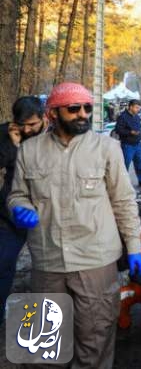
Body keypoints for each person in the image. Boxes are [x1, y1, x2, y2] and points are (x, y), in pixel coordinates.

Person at [7, 82, 141, 368]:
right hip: (47, 261)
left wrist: (134, 246)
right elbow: (18, 194)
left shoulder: (107, 148)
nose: (83, 114)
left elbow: (123, 201)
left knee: (94, 338)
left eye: (87, 108)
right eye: (74, 109)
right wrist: (19, 208)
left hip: (95, 260)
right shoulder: (29, 151)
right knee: (42, 347)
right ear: (53, 113)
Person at [0, 96, 47, 322]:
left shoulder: (54, 137)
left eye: (32, 124)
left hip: (46, 213)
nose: (27, 130)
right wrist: (13, 144)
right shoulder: (5, 133)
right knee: (3, 263)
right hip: (10, 212)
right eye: (22, 124)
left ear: (44, 118)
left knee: (49, 269)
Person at [115, 99, 141, 187]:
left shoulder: (137, 116)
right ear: (130, 107)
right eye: (136, 107)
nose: (138, 109)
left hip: (138, 144)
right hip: (127, 145)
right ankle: (123, 183)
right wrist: (130, 132)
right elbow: (118, 129)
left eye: (139, 108)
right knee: (126, 164)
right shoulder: (122, 117)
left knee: (140, 162)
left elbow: (139, 127)